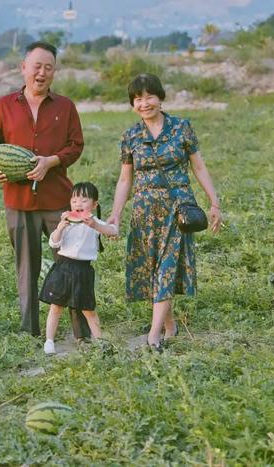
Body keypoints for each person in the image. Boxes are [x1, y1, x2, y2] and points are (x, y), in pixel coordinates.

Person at [0, 41, 91, 339]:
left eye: (48, 67)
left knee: (71, 263)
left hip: (57, 199)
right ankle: (30, 332)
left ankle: (82, 333)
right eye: (36, 66)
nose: (42, 72)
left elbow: (76, 146)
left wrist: (51, 161)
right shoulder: (4, 106)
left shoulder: (65, 106)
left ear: (54, 72)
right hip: (18, 200)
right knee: (26, 269)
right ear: (23, 68)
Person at [107, 73, 222, 351]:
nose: (144, 103)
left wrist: (214, 202)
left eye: (149, 96)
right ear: (132, 104)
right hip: (144, 212)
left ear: (160, 97)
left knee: (167, 269)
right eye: (138, 99)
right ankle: (170, 325)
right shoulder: (131, 136)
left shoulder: (181, 128)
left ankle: (153, 335)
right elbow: (125, 179)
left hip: (177, 209)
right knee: (152, 271)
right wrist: (116, 213)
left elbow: (198, 166)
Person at [40, 182, 118, 354]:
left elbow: (112, 231)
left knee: (88, 310)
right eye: (75, 200)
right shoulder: (66, 221)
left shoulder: (96, 223)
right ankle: (49, 341)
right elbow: (54, 242)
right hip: (63, 267)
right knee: (56, 307)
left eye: (84, 200)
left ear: (94, 204)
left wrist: (95, 226)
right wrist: (60, 228)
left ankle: (101, 342)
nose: (78, 204)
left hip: (83, 270)